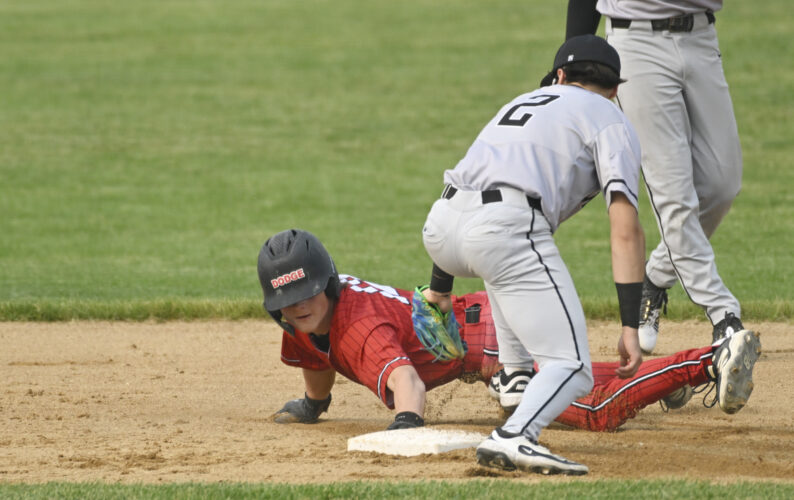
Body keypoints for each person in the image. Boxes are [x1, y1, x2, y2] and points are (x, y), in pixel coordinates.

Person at [257, 229, 761, 468]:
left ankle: (706, 362)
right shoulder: (305, 318)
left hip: (498, 342)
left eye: (306, 295)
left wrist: (407, 426)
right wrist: (315, 403)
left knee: (594, 411)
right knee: (569, 380)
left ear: (327, 284)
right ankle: (660, 382)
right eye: (287, 302)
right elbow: (314, 354)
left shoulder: (357, 327)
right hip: (488, 323)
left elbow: (407, 383)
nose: (298, 308)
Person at [419, 34, 646, 475]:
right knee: (572, 366)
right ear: (615, 89)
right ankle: (515, 436)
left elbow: (474, 181)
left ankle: (515, 375)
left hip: (441, 228)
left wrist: (439, 290)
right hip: (501, 231)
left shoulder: (522, 102)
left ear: (559, 76)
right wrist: (630, 326)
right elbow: (626, 231)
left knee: (502, 262)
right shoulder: (611, 119)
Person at [565, 1, 745, 354]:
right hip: (638, 44)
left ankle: (656, 275)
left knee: (722, 185)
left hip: (702, 37)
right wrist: (573, 56)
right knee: (673, 195)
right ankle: (723, 314)